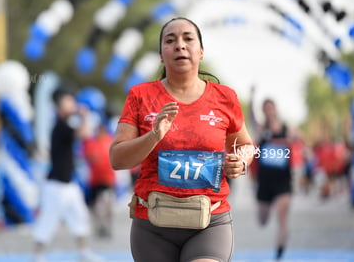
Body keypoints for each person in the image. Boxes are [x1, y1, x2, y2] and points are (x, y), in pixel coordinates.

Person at [109, 17, 254, 262]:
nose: (179, 45)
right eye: (170, 40)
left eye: (188, 38)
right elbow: (117, 159)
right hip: (152, 223)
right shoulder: (140, 96)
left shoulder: (225, 97)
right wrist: (153, 136)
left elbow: (246, 147)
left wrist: (241, 161)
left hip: (210, 221)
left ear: (201, 51)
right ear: (160, 54)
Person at [32, 88, 101, 262]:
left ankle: (83, 252)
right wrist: (84, 115)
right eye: (68, 101)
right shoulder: (61, 125)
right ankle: (38, 254)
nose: (72, 104)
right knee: (48, 219)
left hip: (69, 184)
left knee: (79, 216)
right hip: (55, 185)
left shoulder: (67, 123)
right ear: (59, 106)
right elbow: (83, 133)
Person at [249, 87, 294, 260]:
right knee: (262, 220)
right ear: (263, 111)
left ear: (275, 109)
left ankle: (279, 251)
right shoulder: (261, 130)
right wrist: (252, 97)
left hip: (283, 181)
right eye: (265, 108)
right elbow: (252, 117)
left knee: (282, 217)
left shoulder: (286, 129)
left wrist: (298, 148)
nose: (269, 110)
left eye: (271, 107)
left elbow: (300, 140)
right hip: (265, 182)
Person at [82, 120, 116, 239]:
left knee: (107, 203)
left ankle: (107, 226)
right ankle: (99, 225)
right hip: (95, 179)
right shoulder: (93, 143)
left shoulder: (110, 141)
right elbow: (87, 156)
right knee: (95, 205)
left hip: (107, 179)